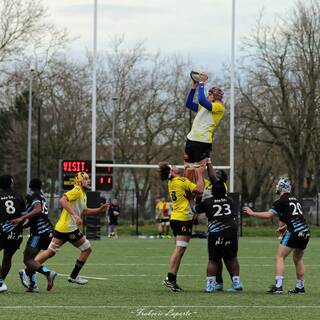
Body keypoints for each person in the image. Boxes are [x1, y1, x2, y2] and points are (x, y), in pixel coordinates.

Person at [35, 172, 109, 288]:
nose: (88, 181)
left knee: (50, 252)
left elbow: (84, 211)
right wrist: (74, 215)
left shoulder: (83, 193)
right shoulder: (77, 190)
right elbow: (62, 200)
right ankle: (73, 276)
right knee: (86, 248)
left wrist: (99, 210)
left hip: (63, 227)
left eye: (88, 179)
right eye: (86, 179)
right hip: (69, 228)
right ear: (79, 181)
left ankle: (28, 270)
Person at [243, 177, 310, 294]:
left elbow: (269, 215)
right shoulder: (295, 200)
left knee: (279, 257)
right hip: (305, 231)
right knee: (298, 259)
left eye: (278, 185)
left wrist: (252, 213)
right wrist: (283, 228)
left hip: (294, 232)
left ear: (281, 187)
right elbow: (298, 218)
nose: (276, 187)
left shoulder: (281, 201)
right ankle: (300, 287)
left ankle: (278, 286)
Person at [192, 161, 243, 292]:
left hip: (216, 232)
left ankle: (210, 285)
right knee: (232, 257)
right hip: (231, 231)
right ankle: (236, 282)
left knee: (213, 259)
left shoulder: (209, 201)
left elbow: (195, 209)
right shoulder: (230, 200)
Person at [159, 161, 204, 292]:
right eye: (172, 165)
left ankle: (172, 279)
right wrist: (200, 174)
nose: (174, 165)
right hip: (183, 219)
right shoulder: (180, 181)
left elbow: (189, 193)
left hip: (176, 218)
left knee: (180, 251)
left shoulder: (173, 182)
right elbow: (199, 190)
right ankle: (169, 278)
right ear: (171, 171)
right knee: (179, 250)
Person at [11, 178, 56, 292]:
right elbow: (34, 218)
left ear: (30, 186)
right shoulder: (41, 196)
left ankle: (48, 273)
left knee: (27, 260)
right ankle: (33, 285)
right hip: (48, 232)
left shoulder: (33, 196)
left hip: (39, 233)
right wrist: (22, 226)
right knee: (31, 260)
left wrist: (21, 218)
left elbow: (37, 210)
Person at [184, 73, 225, 186]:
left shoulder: (219, 107)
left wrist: (201, 83)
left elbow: (202, 100)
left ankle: (198, 201)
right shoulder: (204, 106)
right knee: (188, 172)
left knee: (199, 172)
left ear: (215, 97)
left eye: (210, 94)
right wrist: (194, 87)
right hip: (191, 139)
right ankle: (189, 199)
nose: (208, 96)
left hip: (203, 142)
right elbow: (188, 103)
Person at [0, 175, 26, 292]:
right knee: (7, 257)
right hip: (16, 233)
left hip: (2, 232)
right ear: (11, 183)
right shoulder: (18, 196)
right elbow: (24, 215)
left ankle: (0, 283)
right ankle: (1, 283)